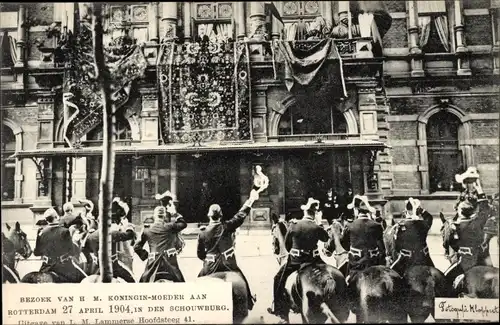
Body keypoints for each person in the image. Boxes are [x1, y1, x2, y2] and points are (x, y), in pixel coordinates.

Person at [268, 197, 329, 321]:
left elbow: (287, 245)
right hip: (314, 260)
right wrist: (319, 223)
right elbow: (325, 239)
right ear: (314, 214)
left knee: (278, 278)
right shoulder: (316, 227)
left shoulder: (294, 225)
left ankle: (280, 311)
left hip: (296, 261)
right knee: (330, 275)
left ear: (305, 212)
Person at [197, 190, 259, 311]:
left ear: (209, 216)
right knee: (242, 278)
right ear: (220, 215)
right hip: (228, 263)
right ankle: (250, 301)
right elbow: (240, 215)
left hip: (210, 266)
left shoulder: (202, 232)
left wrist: (208, 258)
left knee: (198, 281)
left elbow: (200, 254)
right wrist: (250, 200)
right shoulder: (227, 226)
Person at [444, 177, 494, 288]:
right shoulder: (465, 194)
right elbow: (484, 209)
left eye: (469, 183)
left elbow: (452, 243)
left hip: (466, 260)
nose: (468, 185)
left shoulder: (454, 226)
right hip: (479, 249)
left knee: (445, 279)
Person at [134, 197, 187, 283]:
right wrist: (175, 213)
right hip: (170, 262)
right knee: (181, 283)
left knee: (142, 284)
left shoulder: (147, 229)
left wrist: (146, 255)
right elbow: (183, 224)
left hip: (153, 263)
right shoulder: (170, 227)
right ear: (164, 216)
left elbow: (136, 247)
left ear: (154, 216)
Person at [83, 200, 137, 282]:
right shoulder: (112, 233)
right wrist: (128, 226)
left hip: (96, 265)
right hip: (112, 265)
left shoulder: (92, 235)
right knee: (132, 281)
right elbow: (129, 235)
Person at [33, 208, 87, 283]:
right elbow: (71, 252)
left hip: (46, 267)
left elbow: (37, 253)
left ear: (46, 220)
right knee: (80, 280)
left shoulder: (41, 233)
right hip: (63, 268)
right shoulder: (64, 231)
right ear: (56, 217)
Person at [343, 195, 385, 284]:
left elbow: (345, 246)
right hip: (373, 262)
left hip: (356, 264)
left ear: (356, 210)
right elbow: (382, 248)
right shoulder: (376, 225)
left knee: (346, 283)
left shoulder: (350, 225)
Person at [389, 197, 434, 274]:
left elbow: (396, 247)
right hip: (423, 259)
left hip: (406, 260)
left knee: (391, 275)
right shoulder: (423, 224)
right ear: (418, 211)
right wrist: (421, 210)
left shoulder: (400, 226)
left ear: (406, 211)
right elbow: (429, 217)